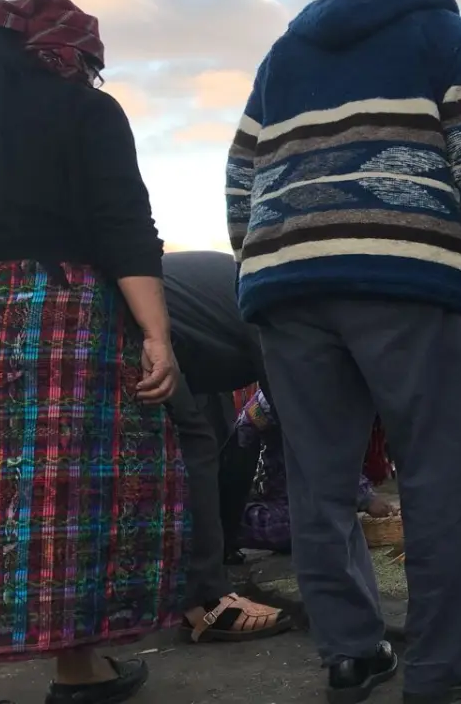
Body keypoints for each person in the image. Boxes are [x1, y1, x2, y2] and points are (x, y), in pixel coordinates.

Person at [225, 0, 461, 703]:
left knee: (320, 478)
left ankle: (351, 652)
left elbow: (241, 175)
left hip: (287, 284)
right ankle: (442, 664)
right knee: (436, 473)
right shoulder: (443, 33)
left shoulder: (282, 55)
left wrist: (268, 257)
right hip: (404, 275)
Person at [0, 0, 185, 704]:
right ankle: (77, 668)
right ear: (65, 56)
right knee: (70, 494)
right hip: (59, 321)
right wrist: (157, 333)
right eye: (90, 66)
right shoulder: (86, 113)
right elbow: (123, 222)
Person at [160, 250, 291, 643]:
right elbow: (295, 415)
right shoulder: (274, 301)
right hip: (144, 324)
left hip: (179, 337)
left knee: (214, 441)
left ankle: (213, 554)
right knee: (194, 444)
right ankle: (206, 601)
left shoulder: (265, 283)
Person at [233, 388, 399, 554]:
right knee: (312, 528)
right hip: (276, 473)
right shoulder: (296, 384)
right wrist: (365, 497)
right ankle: (226, 524)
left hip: (307, 470)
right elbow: (248, 423)